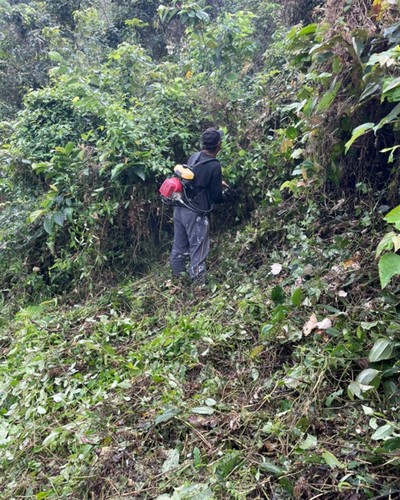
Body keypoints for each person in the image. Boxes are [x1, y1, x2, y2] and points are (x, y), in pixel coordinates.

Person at [170, 127, 226, 284]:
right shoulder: (215, 165)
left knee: (179, 245)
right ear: (218, 145)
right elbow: (216, 197)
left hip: (180, 206)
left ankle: (177, 280)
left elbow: (194, 179)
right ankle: (199, 286)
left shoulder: (194, 157)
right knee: (198, 248)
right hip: (195, 212)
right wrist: (225, 196)